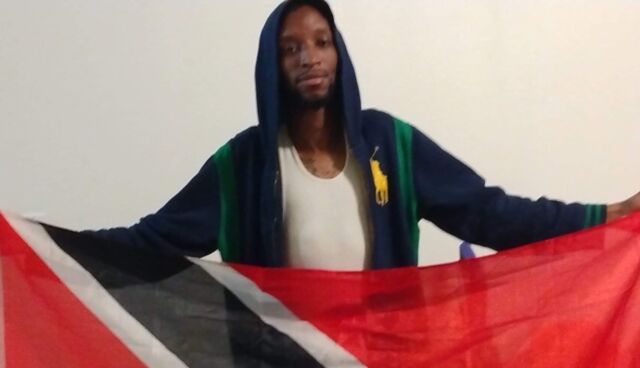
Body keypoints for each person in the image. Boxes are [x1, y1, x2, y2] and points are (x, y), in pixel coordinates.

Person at [93, 0, 639, 269]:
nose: (310, 58)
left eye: (322, 42)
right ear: (271, 66)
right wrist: (51, 251)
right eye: (291, 48)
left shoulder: (391, 146)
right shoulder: (244, 165)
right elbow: (152, 242)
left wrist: (607, 216)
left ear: (339, 52)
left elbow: (489, 212)